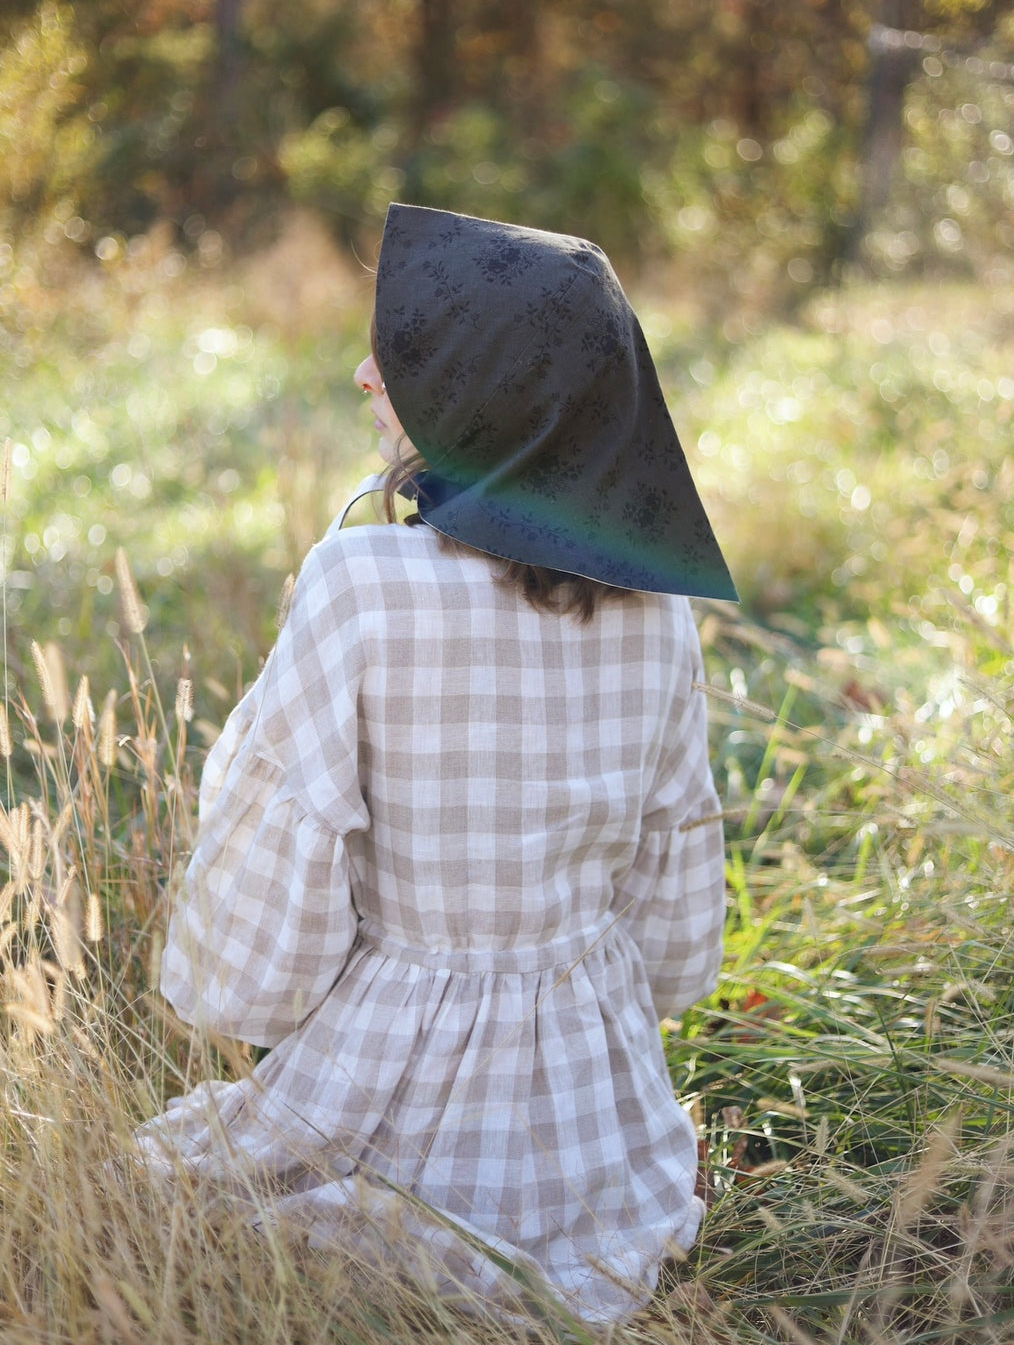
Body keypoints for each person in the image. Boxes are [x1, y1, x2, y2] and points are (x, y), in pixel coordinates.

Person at [134, 203, 737, 1324]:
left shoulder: (359, 586)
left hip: (397, 1050)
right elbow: (671, 861)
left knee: (216, 1186)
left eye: (401, 351)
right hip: (588, 1075)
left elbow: (285, 841)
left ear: (481, 383)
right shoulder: (659, 611)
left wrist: (240, 997)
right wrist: (642, 1010)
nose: (366, 373)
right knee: (571, 1216)